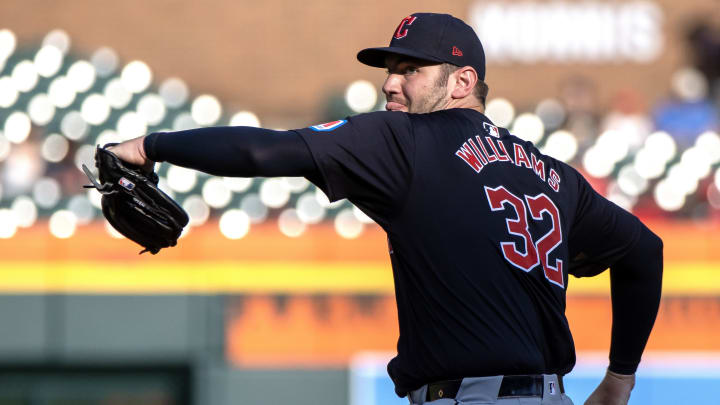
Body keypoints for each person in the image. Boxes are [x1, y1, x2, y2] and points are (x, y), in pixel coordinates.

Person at [107, 13, 663, 405]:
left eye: (410, 70)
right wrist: (619, 378)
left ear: (462, 81)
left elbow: (262, 150)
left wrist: (150, 146)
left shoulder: (406, 140)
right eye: (390, 68)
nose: (389, 83)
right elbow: (644, 250)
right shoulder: (552, 175)